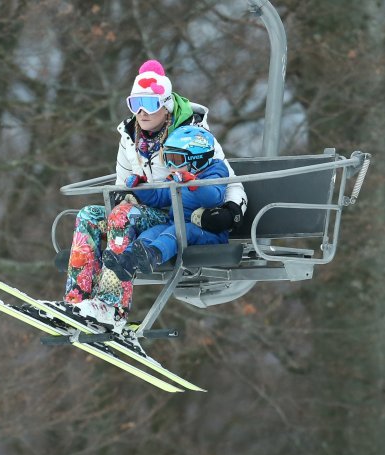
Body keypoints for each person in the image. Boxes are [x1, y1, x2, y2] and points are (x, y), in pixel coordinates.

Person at [59, 59, 247, 332]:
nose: (142, 113)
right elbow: (121, 184)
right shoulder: (129, 136)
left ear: (166, 105)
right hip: (148, 206)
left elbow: (226, 178)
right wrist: (128, 193)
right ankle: (77, 300)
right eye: (136, 105)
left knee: (123, 216)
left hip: (173, 213)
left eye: (150, 104)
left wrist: (232, 211)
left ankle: (112, 307)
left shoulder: (193, 136)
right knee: (89, 215)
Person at [102, 126, 230, 280]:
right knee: (152, 232)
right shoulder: (175, 176)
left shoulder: (215, 171)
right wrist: (142, 187)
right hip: (176, 223)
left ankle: (154, 255)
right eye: (167, 159)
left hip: (208, 231)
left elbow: (213, 197)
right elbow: (159, 198)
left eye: (176, 160)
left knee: (177, 232)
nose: (170, 166)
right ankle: (126, 261)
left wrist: (194, 183)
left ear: (197, 159)